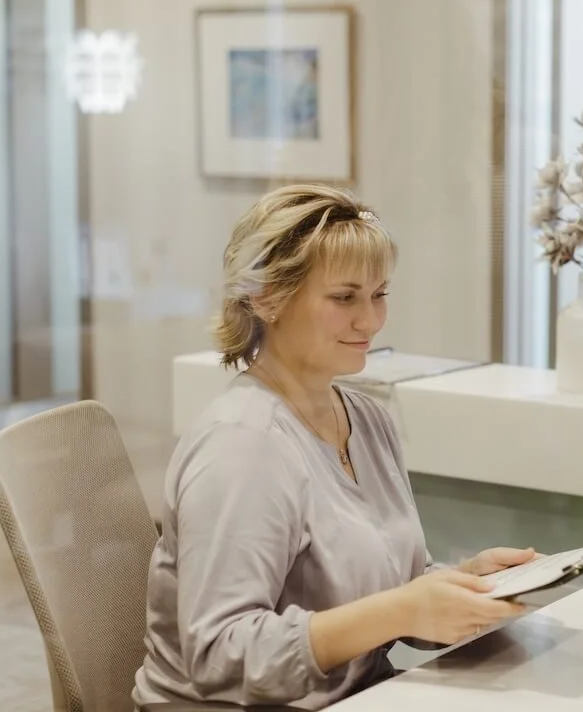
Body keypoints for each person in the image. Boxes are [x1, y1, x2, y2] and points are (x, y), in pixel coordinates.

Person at [132, 185, 535, 710]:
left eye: (379, 294)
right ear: (266, 298)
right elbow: (219, 658)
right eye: (344, 298)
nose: (369, 320)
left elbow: (388, 586)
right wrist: (404, 610)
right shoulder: (243, 446)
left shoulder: (366, 419)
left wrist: (461, 586)